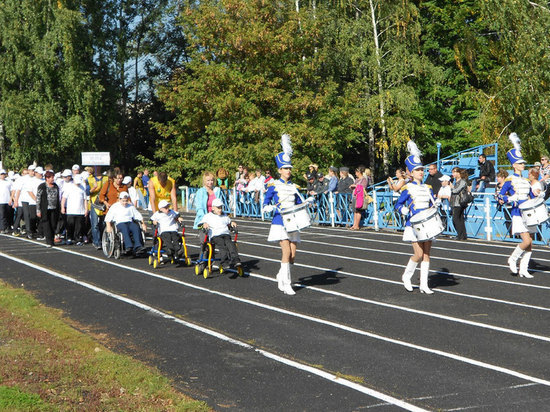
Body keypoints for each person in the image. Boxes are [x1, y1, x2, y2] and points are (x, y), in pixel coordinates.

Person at [263, 134, 311, 296]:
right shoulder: (273, 186)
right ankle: (286, 284)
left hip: (293, 222)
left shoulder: (294, 186)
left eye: (289, 168)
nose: (288, 171)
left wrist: (307, 202)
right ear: (279, 170)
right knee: (285, 252)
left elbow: (299, 202)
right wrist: (269, 208)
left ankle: (281, 275)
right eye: (285, 168)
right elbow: (265, 204)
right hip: (279, 221)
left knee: (292, 255)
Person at [395, 142, 437, 294]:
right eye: (418, 170)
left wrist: (437, 204)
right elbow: (397, 204)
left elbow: (432, 202)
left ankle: (424, 285)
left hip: (428, 223)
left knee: (427, 254)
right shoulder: (407, 188)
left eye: (422, 169)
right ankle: (407, 277)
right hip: (414, 224)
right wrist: (403, 209)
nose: (421, 172)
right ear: (411, 173)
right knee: (418, 254)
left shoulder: (428, 188)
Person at [498, 133, 536, 278]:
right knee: (526, 240)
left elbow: (531, 196)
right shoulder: (509, 179)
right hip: (517, 213)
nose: (523, 165)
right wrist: (510, 200)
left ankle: (524, 269)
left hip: (528, 213)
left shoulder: (526, 180)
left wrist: (537, 195)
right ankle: (513, 259)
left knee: (530, 243)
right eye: (520, 163)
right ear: (514, 165)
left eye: (523, 163)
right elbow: (500, 194)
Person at [199, 198, 241, 269]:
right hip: (215, 235)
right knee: (222, 245)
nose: (220, 209)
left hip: (225, 234)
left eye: (221, 207)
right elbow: (200, 224)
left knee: (231, 245)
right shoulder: (208, 216)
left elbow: (229, 222)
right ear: (213, 208)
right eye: (218, 208)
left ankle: (236, 259)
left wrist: (232, 223)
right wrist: (204, 224)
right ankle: (224, 262)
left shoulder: (224, 215)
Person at [35, 170, 61, 247]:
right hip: (45, 209)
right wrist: (38, 210)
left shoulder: (56, 186)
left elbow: (58, 197)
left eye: (53, 177)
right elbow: (38, 198)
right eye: (51, 177)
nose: (52, 179)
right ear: (46, 178)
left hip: (54, 208)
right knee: (47, 225)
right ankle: (49, 241)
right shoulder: (42, 186)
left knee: (53, 224)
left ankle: (52, 239)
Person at [62, 174, 88, 245]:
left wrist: (86, 209)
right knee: (70, 225)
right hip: (71, 210)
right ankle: (69, 237)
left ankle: (78, 238)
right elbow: (64, 198)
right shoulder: (69, 187)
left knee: (79, 226)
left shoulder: (82, 188)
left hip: (80, 211)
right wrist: (62, 207)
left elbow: (85, 199)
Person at [87, 167, 109, 249]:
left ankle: (103, 240)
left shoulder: (106, 178)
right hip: (94, 203)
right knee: (95, 224)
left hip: (104, 203)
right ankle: (96, 242)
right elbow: (86, 192)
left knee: (103, 223)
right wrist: (93, 188)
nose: (97, 169)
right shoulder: (89, 179)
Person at [450, 167, 468, 241]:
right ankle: (462, 235)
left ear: (459, 173)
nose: (453, 174)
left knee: (456, 219)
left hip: (459, 202)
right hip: (455, 202)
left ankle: (460, 235)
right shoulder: (457, 181)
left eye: (454, 172)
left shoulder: (462, 181)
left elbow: (456, 190)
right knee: (460, 219)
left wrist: (451, 187)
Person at [349, 165, 368, 230]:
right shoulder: (357, 179)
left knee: (358, 211)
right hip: (354, 196)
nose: (355, 174)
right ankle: (354, 225)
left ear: (359, 172)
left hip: (360, 197)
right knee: (355, 211)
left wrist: (355, 185)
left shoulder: (364, 179)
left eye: (356, 172)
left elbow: (363, 187)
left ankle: (357, 225)